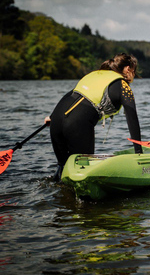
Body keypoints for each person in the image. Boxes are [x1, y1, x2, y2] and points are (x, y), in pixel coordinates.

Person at [46, 53, 142, 181]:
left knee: (63, 169)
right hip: (77, 125)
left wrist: (52, 117)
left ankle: (58, 198)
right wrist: (139, 155)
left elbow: (71, 94)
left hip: (56, 121)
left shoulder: (94, 75)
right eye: (134, 71)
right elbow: (132, 120)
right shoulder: (123, 85)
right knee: (82, 174)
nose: (134, 75)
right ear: (128, 69)